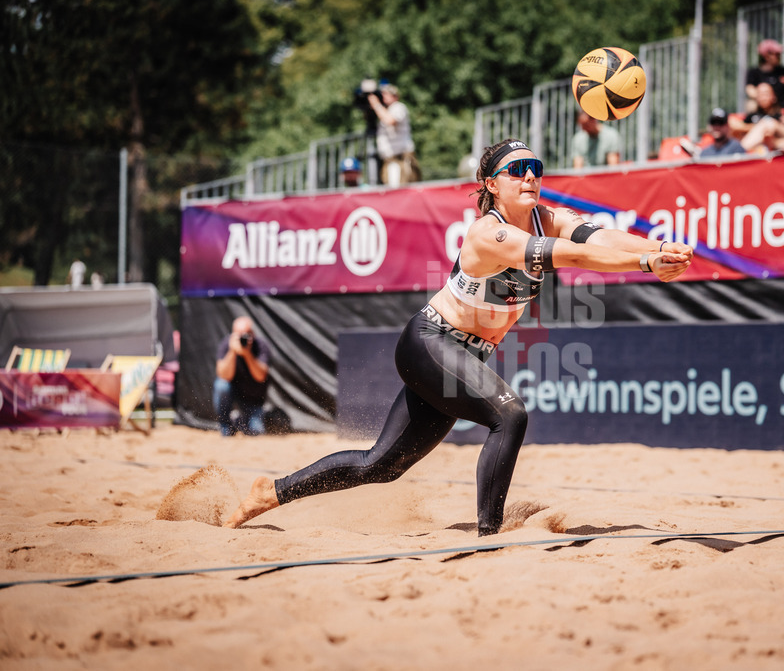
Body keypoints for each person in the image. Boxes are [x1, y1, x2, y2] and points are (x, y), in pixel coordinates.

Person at [223, 138, 693, 535]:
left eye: (535, 167)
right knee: (509, 415)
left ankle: (272, 492)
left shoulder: (546, 217)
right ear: (491, 184)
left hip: (461, 354)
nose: (530, 176)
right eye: (517, 170)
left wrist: (659, 248)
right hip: (429, 343)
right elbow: (572, 256)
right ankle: (490, 535)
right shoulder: (489, 234)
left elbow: (600, 238)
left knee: (381, 465)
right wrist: (645, 263)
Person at [214, 316, 271, 437]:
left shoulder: (260, 345)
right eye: (240, 335)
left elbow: (260, 376)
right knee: (221, 386)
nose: (243, 338)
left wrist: (247, 354)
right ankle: (225, 425)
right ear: (233, 334)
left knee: (257, 432)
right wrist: (232, 352)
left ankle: (238, 420)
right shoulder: (227, 344)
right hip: (232, 394)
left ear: (253, 333)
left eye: (246, 334)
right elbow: (223, 375)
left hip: (253, 400)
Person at [367, 83, 421, 187]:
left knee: (399, 191)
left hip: (400, 159)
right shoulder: (384, 110)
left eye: (387, 94)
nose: (383, 97)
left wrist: (376, 105)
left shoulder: (398, 107)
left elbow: (390, 120)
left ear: (395, 96)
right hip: (390, 159)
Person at [744, 39, 784, 111]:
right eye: (776, 54)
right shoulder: (754, 73)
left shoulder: (783, 72)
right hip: (762, 106)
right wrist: (765, 97)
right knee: (751, 104)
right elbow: (750, 90)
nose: (779, 57)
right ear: (766, 56)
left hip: (779, 106)